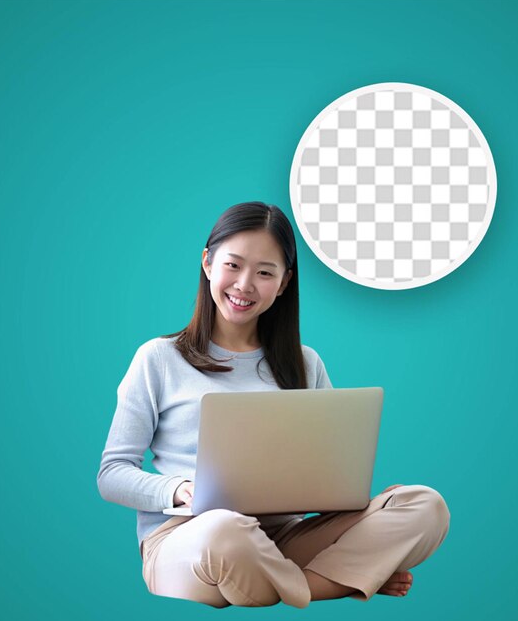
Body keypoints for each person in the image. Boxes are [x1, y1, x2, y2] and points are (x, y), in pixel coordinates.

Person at [97, 201, 450, 608]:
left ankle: (299, 581)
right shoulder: (159, 358)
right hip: (191, 540)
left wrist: (357, 501)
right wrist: (180, 489)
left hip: (283, 540)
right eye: (233, 265)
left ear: (284, 283)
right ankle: (347, 578)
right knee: (225, 532)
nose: (245, 284)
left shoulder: (305, 364)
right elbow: (112, 474)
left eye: (265, 272)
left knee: (425, 506)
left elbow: (329, 477)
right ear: (207, 263)